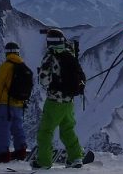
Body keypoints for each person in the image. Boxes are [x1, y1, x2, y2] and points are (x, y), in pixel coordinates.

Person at [33, 29, 85, 169]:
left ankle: (44, 162)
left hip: (55, 101)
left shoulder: (50, 56)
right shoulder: (69, 53)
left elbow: (44, 81)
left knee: (46, 131)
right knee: (67, 130)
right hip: (69, 101)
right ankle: (76, 158)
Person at [0, 41, 29, 163]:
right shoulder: (23, 65)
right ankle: (21, 150)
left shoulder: (6, 66)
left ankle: (3, 153)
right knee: (18, 127)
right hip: (19, 103)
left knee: (4, 128)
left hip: (6, 103)